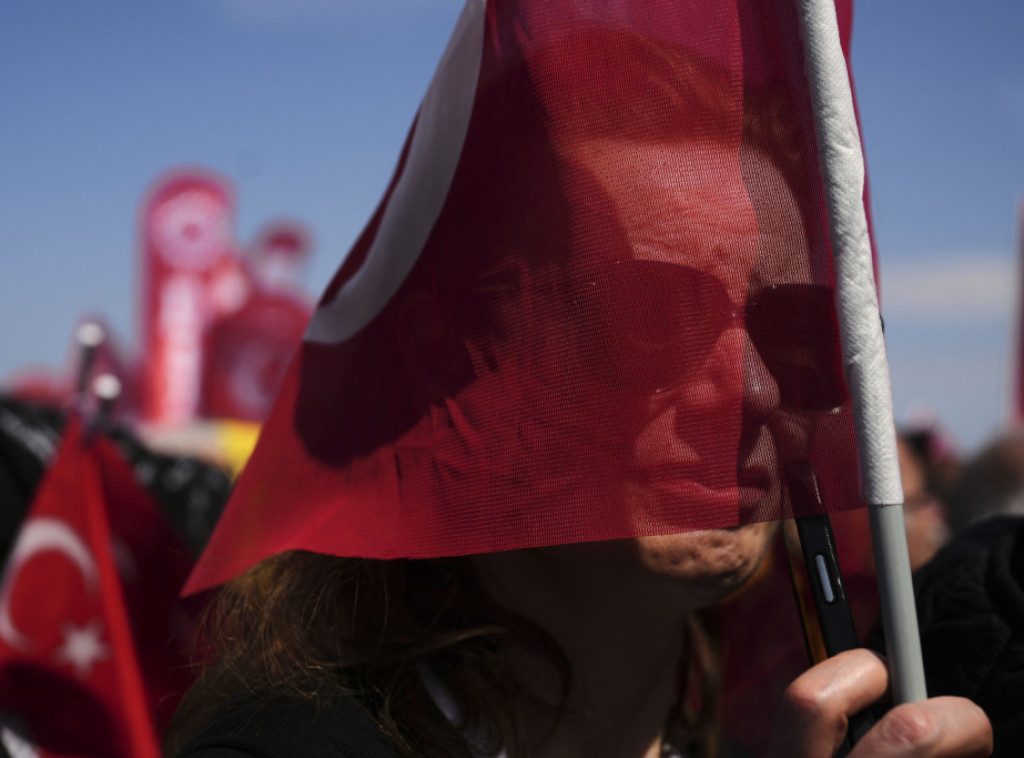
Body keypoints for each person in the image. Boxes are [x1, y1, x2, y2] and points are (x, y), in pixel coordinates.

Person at [166, 1, 992, 756]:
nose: (757, 390)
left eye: (794, 330)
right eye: (650, 313)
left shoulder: (796, 731)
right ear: (450, 351)